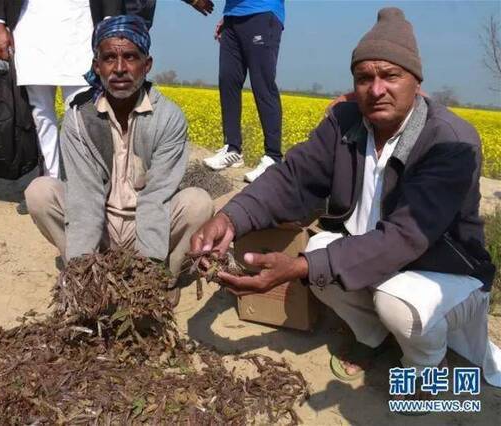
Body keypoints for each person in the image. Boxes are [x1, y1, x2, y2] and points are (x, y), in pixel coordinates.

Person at [191, 7, 501, 398]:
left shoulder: (451, 141)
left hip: (444, 272)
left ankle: (425, 367)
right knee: (320, 249)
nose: (375, 90)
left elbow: (404, 238)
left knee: (391, 300)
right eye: (364, 78)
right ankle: (371, 336)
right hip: (372, 258)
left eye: (390, 76)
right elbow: (292, 177)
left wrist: (301, 268)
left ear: (416, 83)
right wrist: (230, 218)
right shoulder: (346, 121)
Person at [25, 15, 213, 307]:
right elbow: (85, 195)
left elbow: (157, 196)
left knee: (199, 203)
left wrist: (146, 271)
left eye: (130, 57)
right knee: (39, 193)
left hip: (150, 224)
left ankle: (165, 278)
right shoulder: (79, 117)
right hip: (102, 225)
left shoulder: (168, 118)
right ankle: (88, 276)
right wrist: (81, 267)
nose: (120, 68)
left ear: (146, 65)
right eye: (109, 58)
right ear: (96, 66)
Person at [0, 0, 94, 185]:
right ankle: (50, 180)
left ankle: (81, 182)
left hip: (81, 23)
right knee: (40, 111)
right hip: (31, 23)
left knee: (80, 110)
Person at [203, 0, 285, 183]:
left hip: (262, 12)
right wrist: (229, 16)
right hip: (233, 16)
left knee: (262, 84)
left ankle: (273, 156)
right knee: (228, 80)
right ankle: (233, 148)